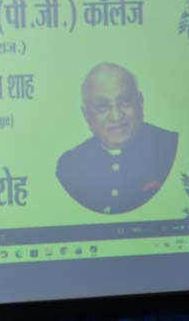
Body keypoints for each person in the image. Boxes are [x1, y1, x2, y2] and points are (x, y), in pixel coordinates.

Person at [56, 62, 178, 215]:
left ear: (140, 102)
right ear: (87, 115)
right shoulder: (70, 165)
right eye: (102, 106)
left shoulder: (171, 146)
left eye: (125, 101)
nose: (116, 116)